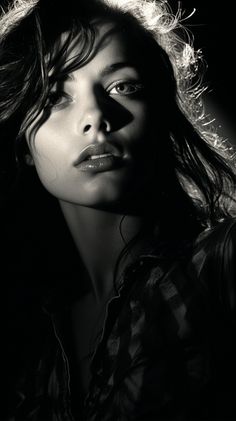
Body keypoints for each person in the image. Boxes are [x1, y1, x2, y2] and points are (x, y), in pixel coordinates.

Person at [0, 0, 236, 420]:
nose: (95, 116)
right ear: (24, 146)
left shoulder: (218, 266)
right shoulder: (31, 346)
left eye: (123, 86)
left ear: (162, 112)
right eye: (54, 95)